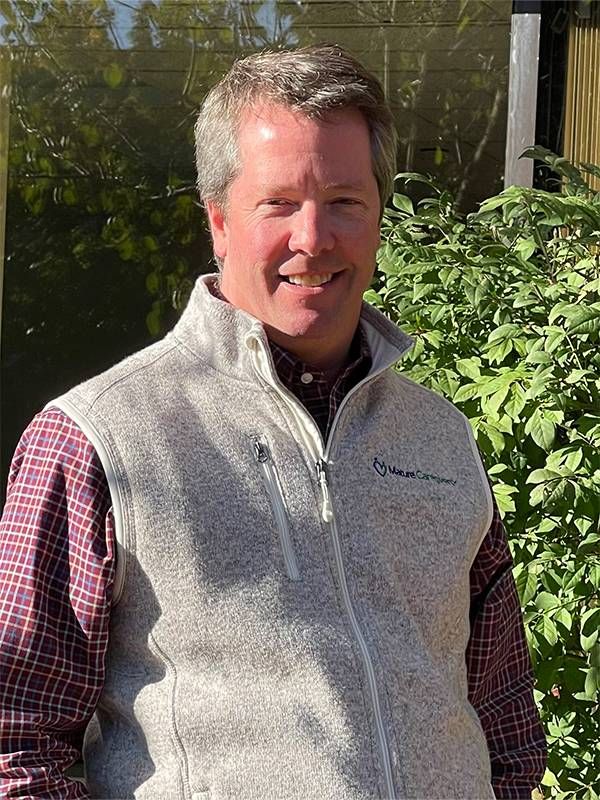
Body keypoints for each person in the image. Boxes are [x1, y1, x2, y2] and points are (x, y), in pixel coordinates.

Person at [0, 45, 546, 799]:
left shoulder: (442, 439)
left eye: (346, 202)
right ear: (219, 220)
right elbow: (14, 743)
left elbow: (505, 717)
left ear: (379, 218)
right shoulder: (101, 439)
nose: (314, 239)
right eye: (279, 202)